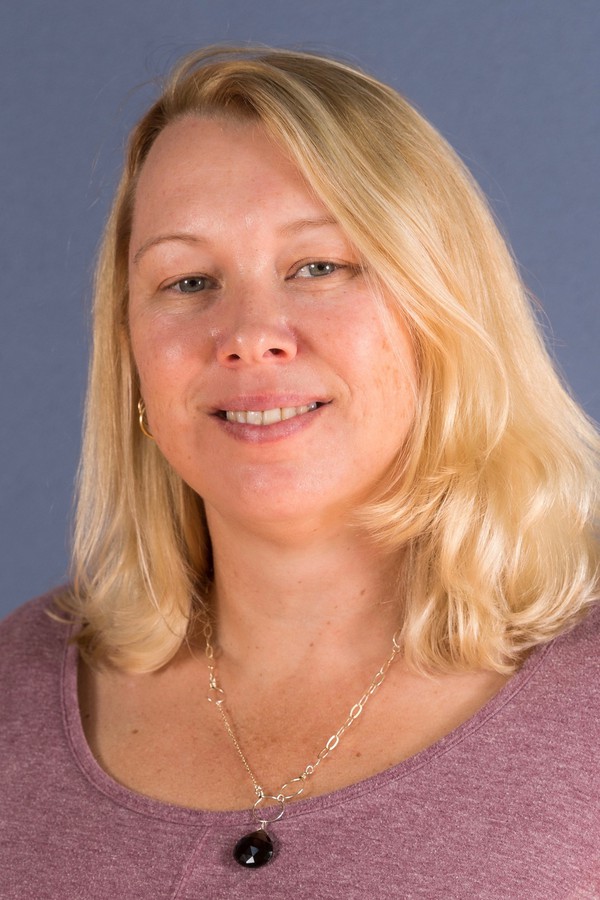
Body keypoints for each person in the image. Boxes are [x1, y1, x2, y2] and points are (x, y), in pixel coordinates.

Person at [0, 46, 598, 899]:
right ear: (130, 356)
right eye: (189, 279)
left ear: (443, 317)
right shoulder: (13, 692)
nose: (249, 332)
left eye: (319, 267)